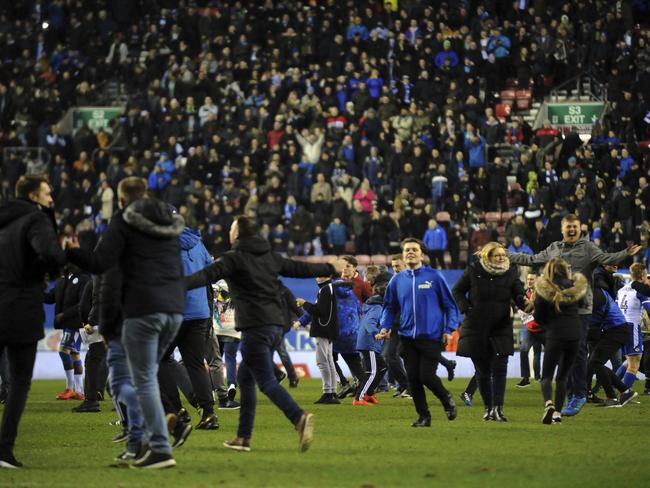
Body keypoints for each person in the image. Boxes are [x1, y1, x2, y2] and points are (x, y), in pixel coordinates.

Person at [184, 216, 344, 453]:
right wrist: (329, 268)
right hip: (275, 324)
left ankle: (298, 418)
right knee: (246, 378)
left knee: (265, 380)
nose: (229, 231)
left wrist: (175, 283)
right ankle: (243, 437)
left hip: (254, 326)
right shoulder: (268, 255)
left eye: (231, 227)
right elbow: (299, 268)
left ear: (237, 233)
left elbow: (206, 276)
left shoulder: (233, 258)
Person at [67, 176, 185, 469]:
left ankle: (159, 445)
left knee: (135, 381)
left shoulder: (123, 221)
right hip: (173, 309)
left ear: (121, 200)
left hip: (142, 308)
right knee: (143, 378)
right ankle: (146, 441)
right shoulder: (169, 223)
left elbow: (102, 265)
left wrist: (70, 251)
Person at [508, 214, 641, 417]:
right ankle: (572, 393)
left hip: (581, 308)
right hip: (557, 307)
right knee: (564, 353)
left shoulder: (588, 248)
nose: (571, 230)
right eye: (568, 226)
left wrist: (625, 253)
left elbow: (607, 258)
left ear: (580, 228)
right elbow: (531, 259)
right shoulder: (554, 248)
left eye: (575, 227)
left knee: (578, 350)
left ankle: (578, 394)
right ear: (562, 229)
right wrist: (507, 256)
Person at [0, 175, 67, 468]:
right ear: (33, 196)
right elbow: (51, 254)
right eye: (47, 193)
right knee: (19, 381)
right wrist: (47, 272)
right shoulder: (35, 220)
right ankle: (4, 450)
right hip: (20, 309)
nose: (51, 198)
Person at [378, 238, 459, 427]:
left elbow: (450, 306)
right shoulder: (397, 280)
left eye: (414, 249)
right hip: (407, 338)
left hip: (431, 337)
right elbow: (389, 307)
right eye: (407, 250)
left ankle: (446, 398)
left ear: (422, 254)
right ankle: (424, 417)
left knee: (426, 376)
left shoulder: (435, 277)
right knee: (413, 379)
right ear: (404, 255)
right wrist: (385, 326)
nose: (410, 252)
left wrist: (449, 329)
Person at [453, 242, 526, 422]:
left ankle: (498, 409)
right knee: (483, 371)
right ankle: (488, 408)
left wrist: (524, 303)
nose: (502, 257)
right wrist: (467, 309)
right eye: (497, 255)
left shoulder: (511, 272)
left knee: (500, 369)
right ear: (487, 256)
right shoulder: (473, 270)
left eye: (503, 254)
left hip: (501, 327)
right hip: (476, 327)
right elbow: (458, 291)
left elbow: (519, 294)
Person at [158, 221, 218, 431]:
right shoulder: (198, 243)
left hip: (173, 311)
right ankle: (209, 414)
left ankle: (176, 412)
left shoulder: (161, 243)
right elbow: (210, 274)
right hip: (200, 312)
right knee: (194, 363)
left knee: (160, 359)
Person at [533, 258, 588, 424]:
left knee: (547, 376)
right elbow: (583, 304)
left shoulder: (544, 290)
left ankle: (548, 404)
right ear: (566, 270)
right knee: (563, 377)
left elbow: (538, 317)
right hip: (574, 334)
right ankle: (557, 413)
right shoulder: (575, 287)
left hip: (555, 334)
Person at [45, 266, 90, 401]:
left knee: (64, 350)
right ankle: (78, 391)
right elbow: (49, 298)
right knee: (73, 352)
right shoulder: (62, 280)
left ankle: (72, 389)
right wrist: (37, 288)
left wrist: (64, 315)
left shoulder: (84, 279)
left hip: (76, 323)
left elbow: (83, 303)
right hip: (66, 325)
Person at [295, 277, 342, 404]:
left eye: (320, 274)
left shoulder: (325, 289)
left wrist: (304, 303)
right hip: (329, 330)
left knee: (322, 361)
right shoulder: (328, 288)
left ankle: (328, 392)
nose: (317, 277)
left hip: (323, 329)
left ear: (327, 276)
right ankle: (332, 392)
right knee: (329, 361)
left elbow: (318, 311)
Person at [353, 271, 391, 406]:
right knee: (373, 371)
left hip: (371, 343)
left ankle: (368, 393)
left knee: (382, 367)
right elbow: (370, 323)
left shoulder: (376, 305)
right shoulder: (378, 307)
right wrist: (376, 333)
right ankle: (359, 398)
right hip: (369, 343)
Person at [615, 263, 650, 391]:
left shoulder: (622, 289)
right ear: (642, 275)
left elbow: (615, 308)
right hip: (632, 326)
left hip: (619, 326)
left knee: (630, 360)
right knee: (635, 362)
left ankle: (614, 386)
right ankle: (625, 392)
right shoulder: (641, 291)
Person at [517, 272, 544, 387]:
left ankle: (564, 377)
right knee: (523, 350)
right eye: (528, 279)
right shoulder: (524, 294)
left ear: (537, 280)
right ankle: (526, 378)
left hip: (544, 329)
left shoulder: (543, 293)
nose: (529, 281)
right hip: (531, 329)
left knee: (554, 353)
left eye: (532, 279)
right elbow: (522, 309)